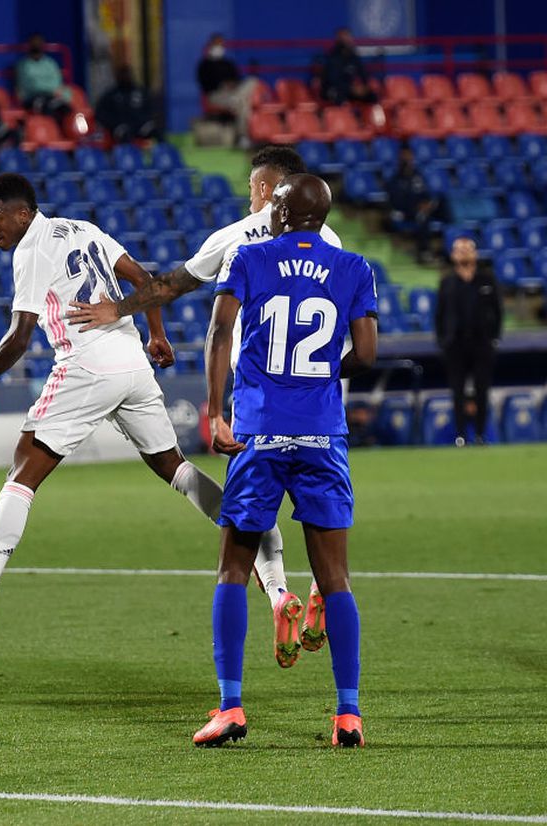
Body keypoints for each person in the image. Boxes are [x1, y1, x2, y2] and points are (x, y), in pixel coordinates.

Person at [0, 173, 291, 668]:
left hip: (85, 365)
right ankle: (271, 573)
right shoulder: (83, 228)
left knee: (22, 475)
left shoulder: (32, 249)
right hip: (131, 364)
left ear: (22, 213)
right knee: (175, 468)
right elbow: (143, 279)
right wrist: (156, 335)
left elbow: (19, 337)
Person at [66, 145, 339, 665]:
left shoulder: (235, 239)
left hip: (258, 398)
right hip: (318, 396)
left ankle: (279, 595)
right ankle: (325, 588)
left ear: (264, 188)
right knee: (323, 513)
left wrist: (117, 308)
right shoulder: (329, 238)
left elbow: (175, 288)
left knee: (247, 515)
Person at [193, 174, 378, 747]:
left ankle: (230, 707)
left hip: (259, 433)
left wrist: (215, 411)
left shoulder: (248, 258)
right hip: (323, 433)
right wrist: (321, 375)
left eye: (273, 201)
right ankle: (348, 715)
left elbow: (220, 332)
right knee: (336, 577)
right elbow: (367, 354)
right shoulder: (354, 268)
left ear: (282, 210)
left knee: (232, 567)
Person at [435, 237, 503, 447]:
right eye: (459, 249)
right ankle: (461, 435)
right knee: (457, 390)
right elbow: (440, 315)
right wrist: (442, 340)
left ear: (475, 254)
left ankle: (481, 435)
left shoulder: (487, 279)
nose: (463, 253)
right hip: (455, 344)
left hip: (481, 343)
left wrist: (494, 338)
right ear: (453, 255)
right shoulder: (447, 282)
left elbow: (498, 311)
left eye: (467, 249)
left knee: (483, 390)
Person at [196, 34, 257, 148]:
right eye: (217, 44)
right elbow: (205, 86)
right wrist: (221, 85)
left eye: (221, 44)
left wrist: (232, 85)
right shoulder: (204, 65)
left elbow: (237, 80)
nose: (220, 47)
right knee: (243, 105)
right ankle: (243, 137)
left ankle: (236, 100)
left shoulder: (228, 63)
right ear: (211, 45)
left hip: (233, 93)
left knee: (252, 81)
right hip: (216, 95)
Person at [385, 146, 441, 264]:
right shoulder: (395, 179)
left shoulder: (418, 176)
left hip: (422, 209)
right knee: (422, 217)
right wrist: (417, 207)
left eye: (409, 157)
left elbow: (426, 193)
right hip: (405, 212)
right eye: (404, 158)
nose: (407, 160)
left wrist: (427, 203)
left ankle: (447, 247)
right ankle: (424, 252)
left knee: (443, 202)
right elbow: (397, 201)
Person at [95, 65, 159, 144]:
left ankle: (164, 154)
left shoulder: (140, 92)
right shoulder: (111, 95)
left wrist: (147, 121)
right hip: (121, 127)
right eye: (122, 75)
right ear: (117, 77)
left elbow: (151, 109)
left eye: (127, 74)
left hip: (141, 126)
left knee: (156, 131)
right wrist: (114, 125)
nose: (125, 77)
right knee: (125, 135)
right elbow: (100, 114)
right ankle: (128, 155)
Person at [15, 34, 72, 122]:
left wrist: (53, 90)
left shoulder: (50, 63)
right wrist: (50, 88)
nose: (36, 46)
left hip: (52, 97)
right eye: (34, 44)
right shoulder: (23, 65)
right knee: (48, 109)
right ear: (30, 45)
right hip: (32, 98)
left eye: (39, 44)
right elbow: (32, 86)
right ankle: (52, 134)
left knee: (66, 109)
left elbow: (57, 83)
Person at [319, 28, 378, 105]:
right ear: (339, 40)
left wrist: (364, 87)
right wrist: (351, 89)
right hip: (333, 89)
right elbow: (333, 80)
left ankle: (367, 116)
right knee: (339, 97)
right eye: (345, 38)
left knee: (372, 96)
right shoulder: (333, 57)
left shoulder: (353, 56)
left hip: (350, 89)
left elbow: (363, 73)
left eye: (349, 37)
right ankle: (341, 115)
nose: (349, 40)